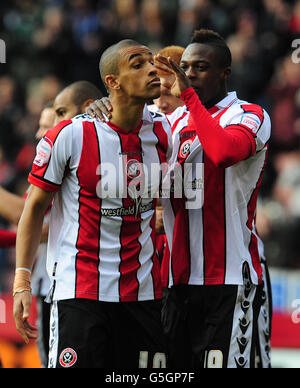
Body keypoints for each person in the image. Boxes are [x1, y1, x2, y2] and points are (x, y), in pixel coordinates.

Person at [88, 29, 272, 368]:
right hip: (174, 284)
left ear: (225, 73)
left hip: (229, 282)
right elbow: (116, 130)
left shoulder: (250, 115)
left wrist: (188, 97)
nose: (191, 74)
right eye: (185, 67)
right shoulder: (168, 123)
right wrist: (102, 105)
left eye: (201, 67)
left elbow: (222, 152)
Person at [13, 40, 172, 369]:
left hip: (142, 294)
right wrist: (22, 282)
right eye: (137, 64)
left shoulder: (163, 131)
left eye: (150, 62)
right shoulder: (71, 135)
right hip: (80, 292)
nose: (151, 69)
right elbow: (33, 209)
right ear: (113, 82)